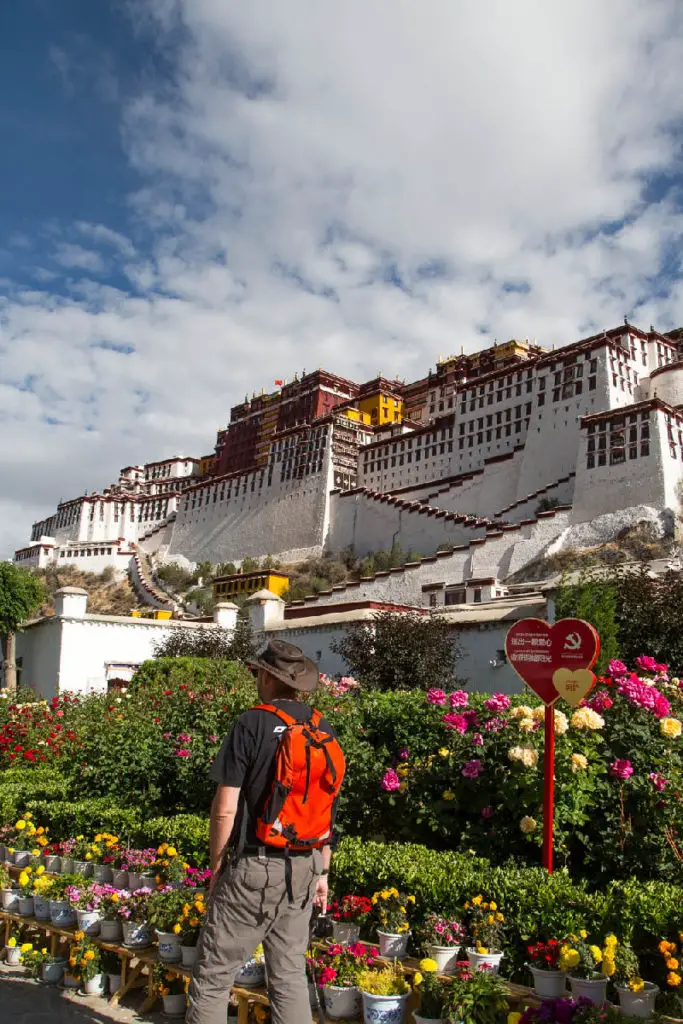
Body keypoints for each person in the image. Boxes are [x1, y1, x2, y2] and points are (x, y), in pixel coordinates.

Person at [186, 639, 344, 1024]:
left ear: (270, 678)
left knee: (214, 976)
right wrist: (322, 872)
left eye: (258, 672)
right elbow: (326, 808)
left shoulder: (251, 722)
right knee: (288, 976)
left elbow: (225, 808)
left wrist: (217, 867)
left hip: (254, 867)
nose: (256, 678)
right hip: (305, 866)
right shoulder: (322, 726)